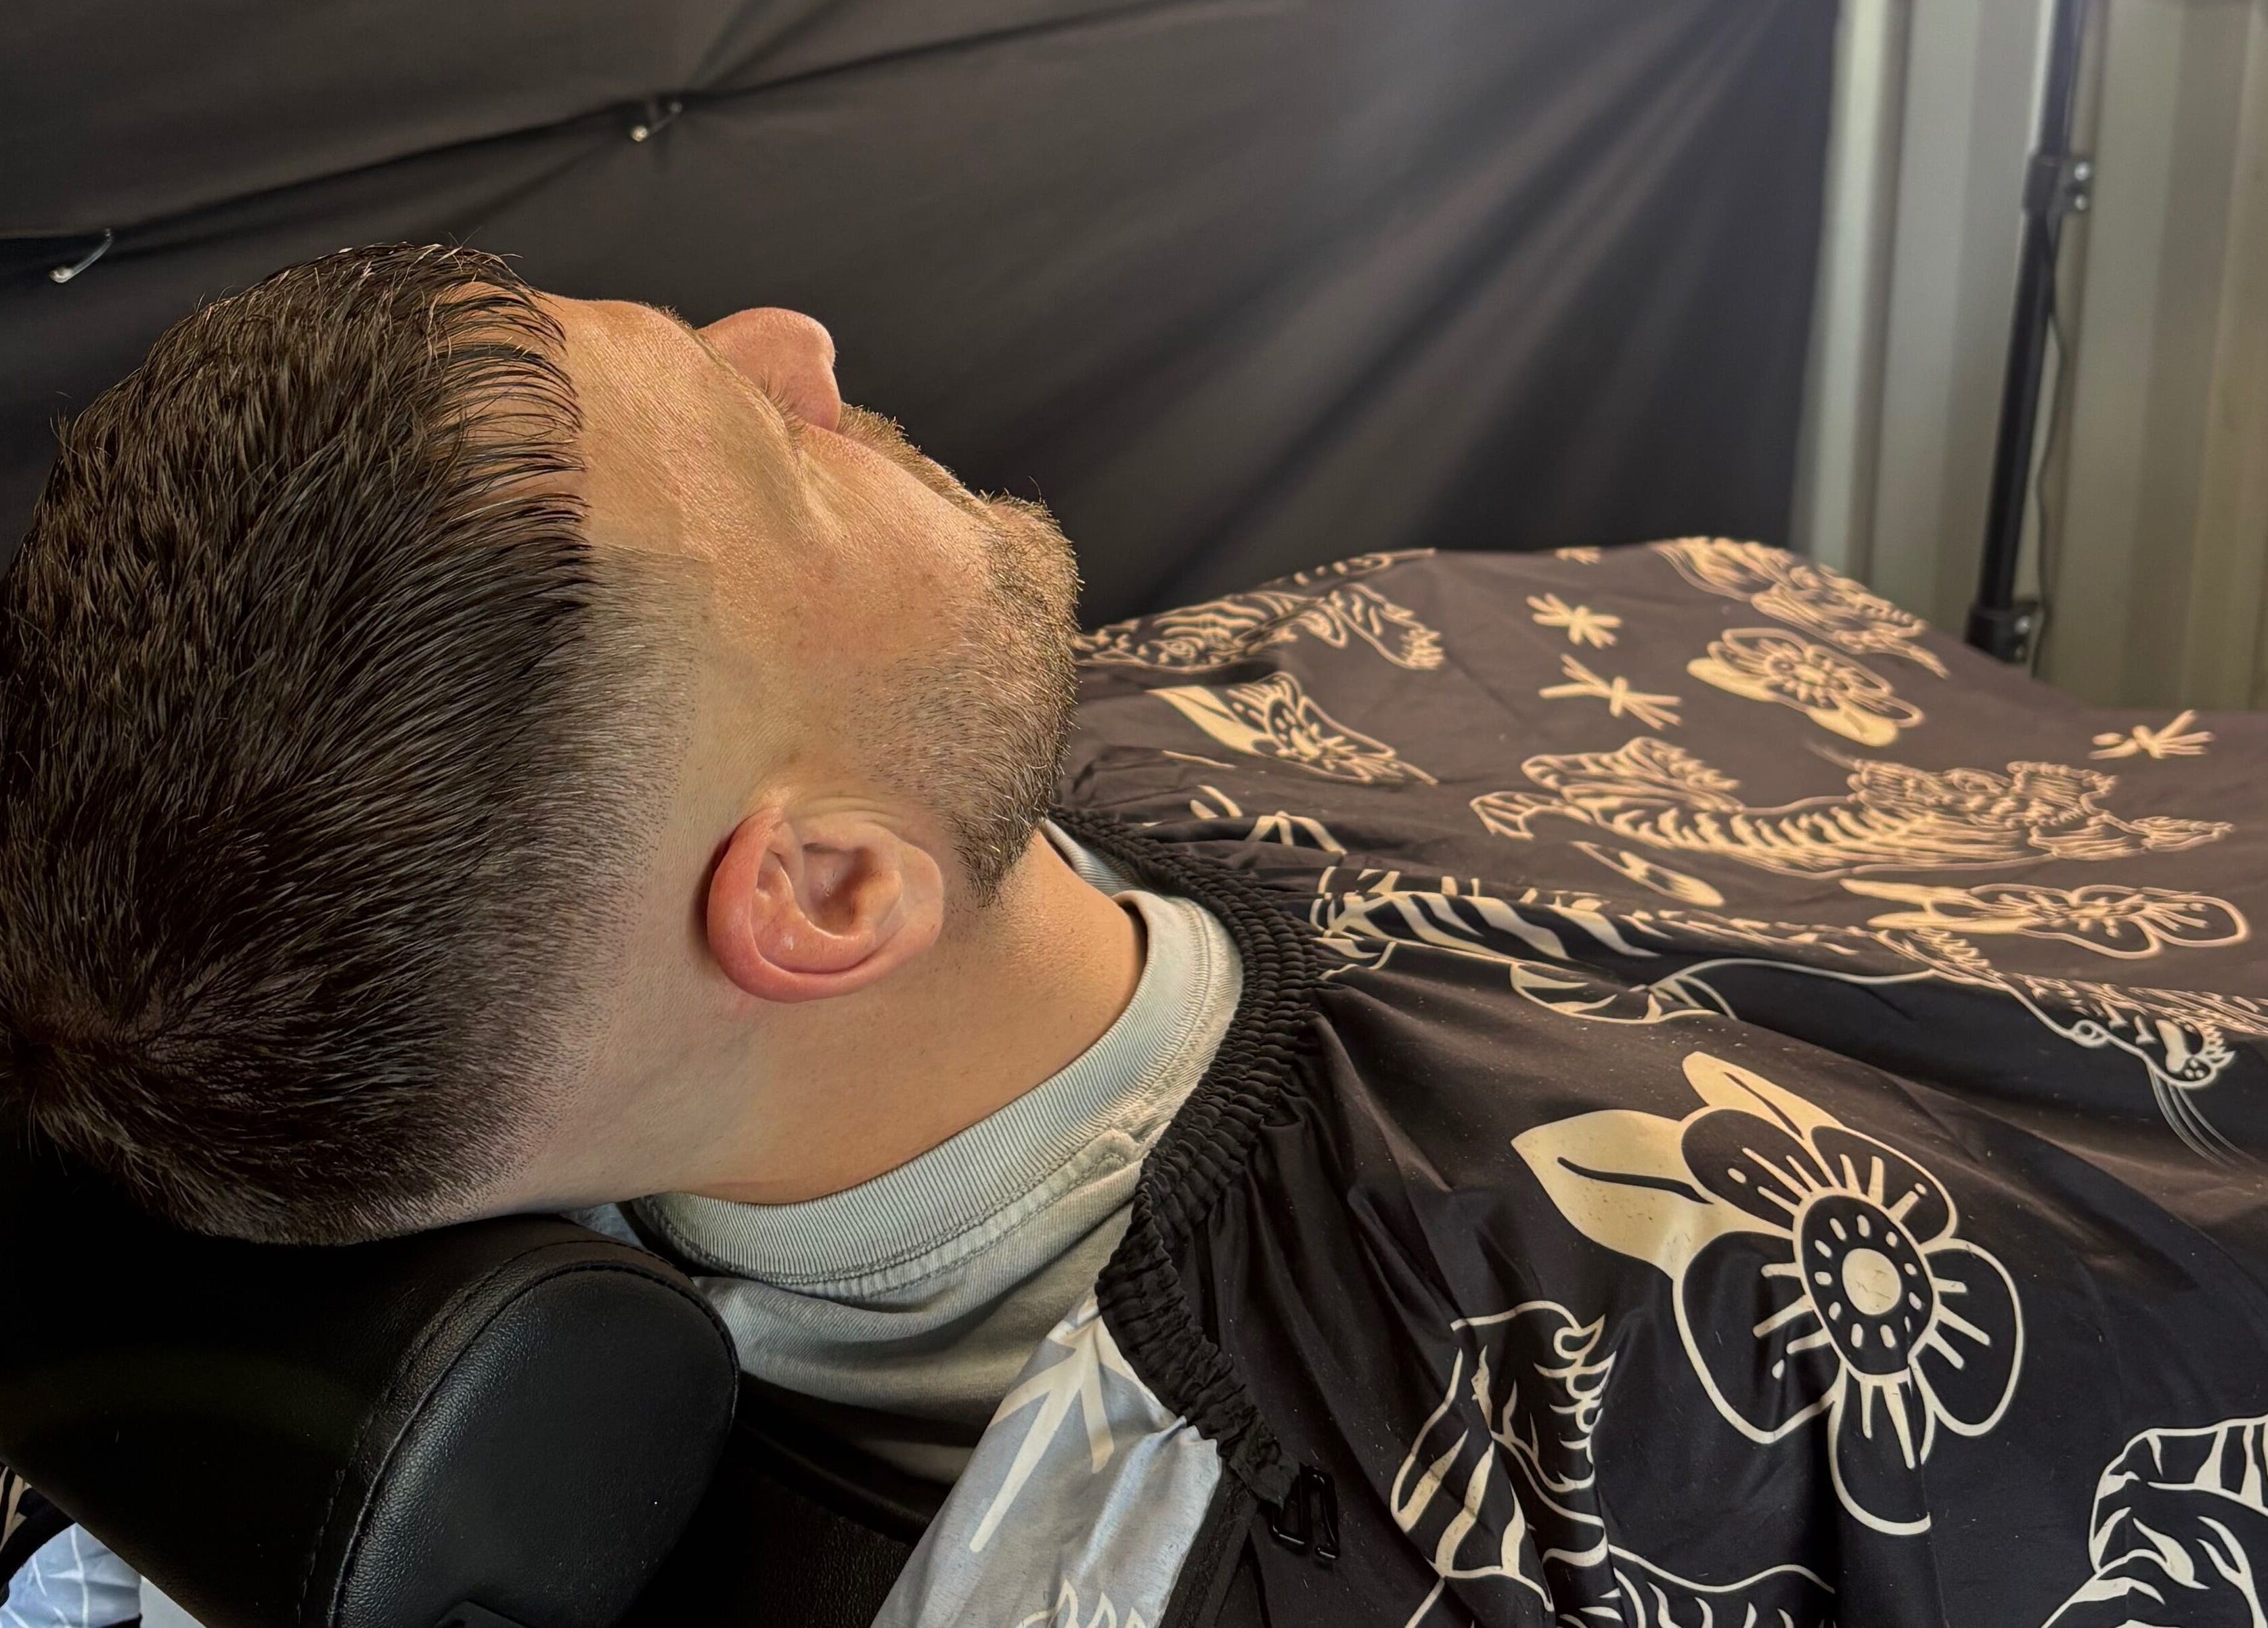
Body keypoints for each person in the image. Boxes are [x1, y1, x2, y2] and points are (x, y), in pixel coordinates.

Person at [3, 244, 2266, 1628]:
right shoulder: (1497, 1454)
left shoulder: (964, 767)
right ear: (827, 897)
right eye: (772, 457)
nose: (794, 337)